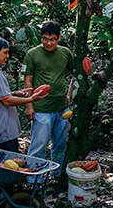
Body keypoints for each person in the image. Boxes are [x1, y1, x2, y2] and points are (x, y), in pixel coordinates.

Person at [22, 21, 74, 180]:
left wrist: (70, 95)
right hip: (42, 110)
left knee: (60, 146)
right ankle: (34, 181)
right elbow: (28, 81)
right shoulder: (32, 54)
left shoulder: (65, 53)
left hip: (62, 108)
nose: (48, 43)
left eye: (52, 39)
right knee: (38, 147)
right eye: (45, 39)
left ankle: (56, 178)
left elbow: (75, 74)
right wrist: (29, 105)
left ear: (59, 38)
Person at [0, 36, 47, 153]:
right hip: (3, 131)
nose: (7, 56)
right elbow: (6, 100)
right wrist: (31, 99)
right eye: (5, 53)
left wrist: (16, 94)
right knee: (8, 164)